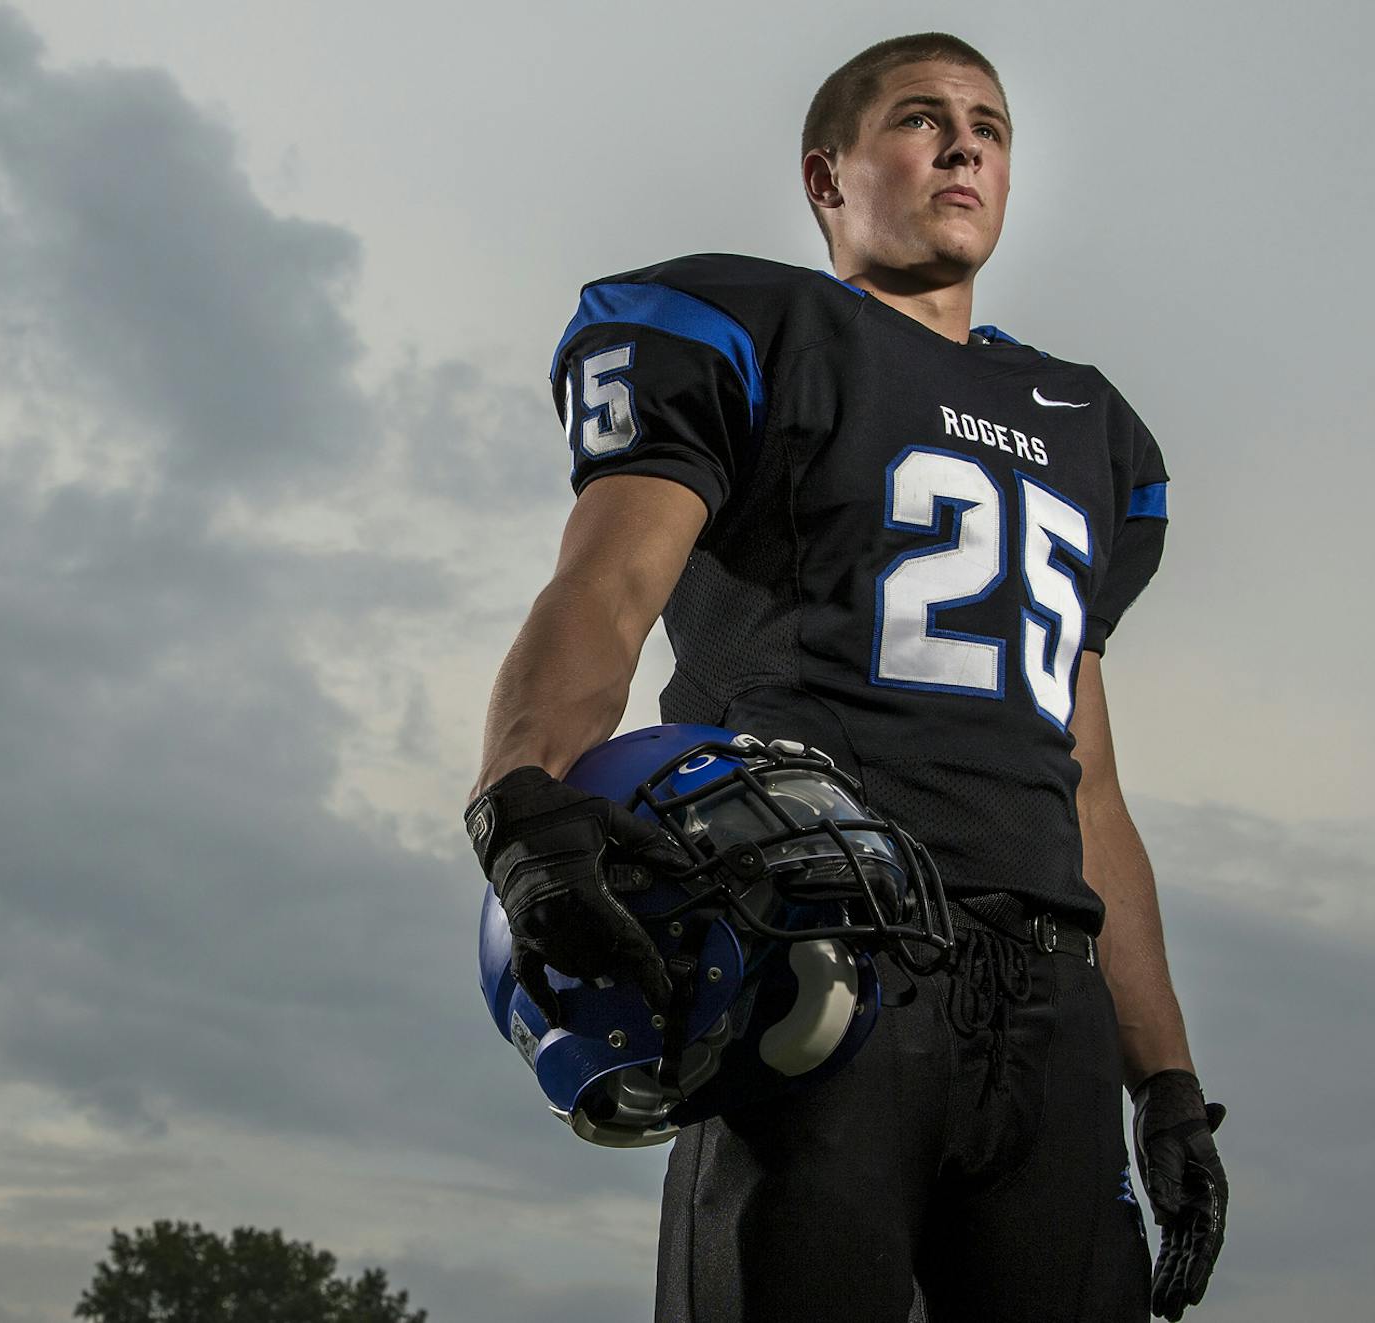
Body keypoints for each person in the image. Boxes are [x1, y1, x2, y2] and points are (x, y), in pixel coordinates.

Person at [464, 32, 1227, 1323]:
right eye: (921, 118)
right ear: (828, 180)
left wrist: (1163, 1081)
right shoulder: (760, 329)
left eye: (988, 124)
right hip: (820, 949)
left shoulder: (1088, 426)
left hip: (1050, 998)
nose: (965, 142)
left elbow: (1089, 784)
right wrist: (522, 801)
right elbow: (603, 591)